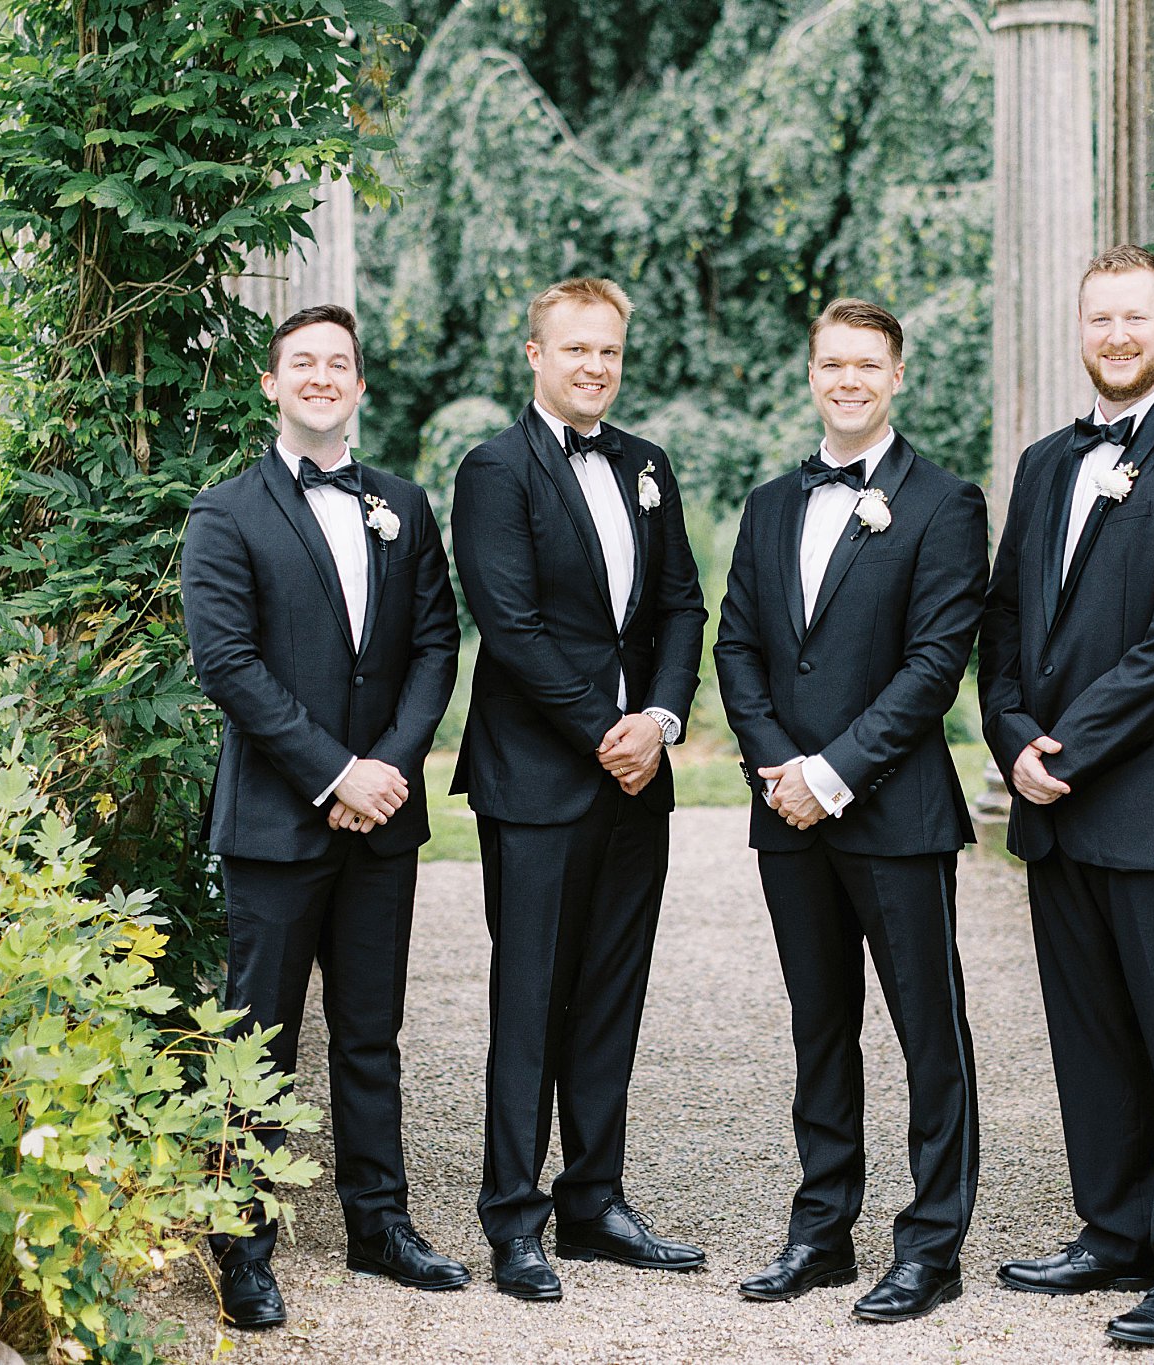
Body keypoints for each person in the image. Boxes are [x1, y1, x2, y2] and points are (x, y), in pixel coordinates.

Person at [978, 245, 1154, 1348]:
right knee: (1090, 1036)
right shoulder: (1047, 463)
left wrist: (1067, 744)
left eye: (1132, 318)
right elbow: (1002, 621)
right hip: (1056, 800)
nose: (1113, 335)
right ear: (1080, 326)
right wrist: (1010, 737)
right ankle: (1113, 1227)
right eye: (1097, 317)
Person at [180, 304, 465, 1330]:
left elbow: (437, 642)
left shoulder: (404, 503)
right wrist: (331, 771)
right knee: (257, 1037)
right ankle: (239, 1243)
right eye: (301, 362)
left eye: (337, 363)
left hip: (382, 817)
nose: (319, 376)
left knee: (370, 1030)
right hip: (275, 820)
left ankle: (378, 1227)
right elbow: (229, 667)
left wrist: (385, 768)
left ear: (357, 384)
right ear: (271, 383)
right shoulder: (225, 513)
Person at [714, 298, 989, 1323]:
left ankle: (930, 1246)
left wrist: (833, 772)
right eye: (831, 363)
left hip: (895, 813)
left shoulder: (944, 503)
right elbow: (735, 644)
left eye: (865, 365)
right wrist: (779, 765)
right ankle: (821, 1233)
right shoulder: (769, 503)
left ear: (896, 376)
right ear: (812, 373)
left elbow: (932, 668)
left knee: (930, 1033)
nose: (847, 380)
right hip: (785, 813)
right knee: (818, 1027)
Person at [449, 277, 709, 1302]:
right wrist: (606, 728)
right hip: (534, 780)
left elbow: (683, 605)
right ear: (534, 356)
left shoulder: (647, 465)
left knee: (610, 994)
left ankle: (593, 1200)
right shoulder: (494, 469)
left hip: (635, 780)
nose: (593, 367)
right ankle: (513, 1219)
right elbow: (507, 626)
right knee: (529, 999)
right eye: (574, 351)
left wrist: (661, 719)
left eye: (607, 351)